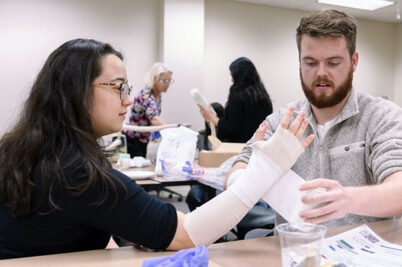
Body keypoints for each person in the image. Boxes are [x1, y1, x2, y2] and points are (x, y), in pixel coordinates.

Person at [0, 38, 313, 259]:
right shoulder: (77, 173)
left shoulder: (22, 147)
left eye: (128, 88)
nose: (127, 99)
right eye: (118, 87)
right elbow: (188, 234)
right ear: (76, 91)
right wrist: (267, 168)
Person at [227, 9, 402, 228]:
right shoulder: (281, 121)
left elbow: (399, 190)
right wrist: (258, 174)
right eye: (310, 63)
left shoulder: (381, 117)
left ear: (354, 62)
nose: (321, 73)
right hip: (299, 254)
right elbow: (235, 173)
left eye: (333, 63)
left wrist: (348, 200)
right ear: (299, 63)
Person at [199, 57, 273, 143]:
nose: (231, 79)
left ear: (238, 75)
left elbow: (229, 129)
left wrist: (210, 116)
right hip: (260, 148)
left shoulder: (238, 94)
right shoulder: (264, 97)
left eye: (232, 75)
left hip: (240, 149)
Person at [122, 63, 173, 158]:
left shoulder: (158, 95)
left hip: (143, 139)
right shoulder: (146, 95)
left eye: (170, 81)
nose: (168, 84)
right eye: (165, 81)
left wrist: (154, 132)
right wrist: (172, 131)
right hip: (133, 139)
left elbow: (148, 118)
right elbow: (154, 119)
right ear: (155, 79)